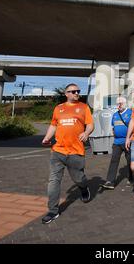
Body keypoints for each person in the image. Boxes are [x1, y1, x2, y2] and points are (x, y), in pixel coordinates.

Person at [41, 83, 94, 224]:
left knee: (79, 179)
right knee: (53, 181)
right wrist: (47, 137)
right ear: (66, 94)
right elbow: (53, 125)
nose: (76, 93)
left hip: (76, 152)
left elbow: (90, 124)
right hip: (58, 151)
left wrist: (86, 133)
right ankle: (53, 211)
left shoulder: (84, 107)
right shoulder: (58, 108)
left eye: (78, 91)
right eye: (73, 91)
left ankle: (83, 188)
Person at [101, 97, 133, 190]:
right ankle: (110, 181)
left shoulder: (130, 113)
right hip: (117, 142)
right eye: (117, 103)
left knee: (130, 161)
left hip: (127, 142)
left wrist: (130, 139)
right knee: (114, 161)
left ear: (125, 103)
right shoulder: (115, 115)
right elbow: (113, 127)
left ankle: (131, 179)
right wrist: (114, 134)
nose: (119, 105)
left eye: (121, 103)